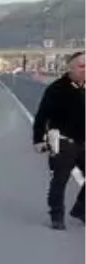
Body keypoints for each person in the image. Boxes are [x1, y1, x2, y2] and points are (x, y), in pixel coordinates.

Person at [32, 50, 86, 229]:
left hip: (84, 142)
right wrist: (38, 139)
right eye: (81, 66)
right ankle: (57, 215)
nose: (85, 70)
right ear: (70, 68)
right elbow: (42, 115)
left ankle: (81, 209)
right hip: (63, 141)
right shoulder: (57, 89)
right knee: (59, 180)